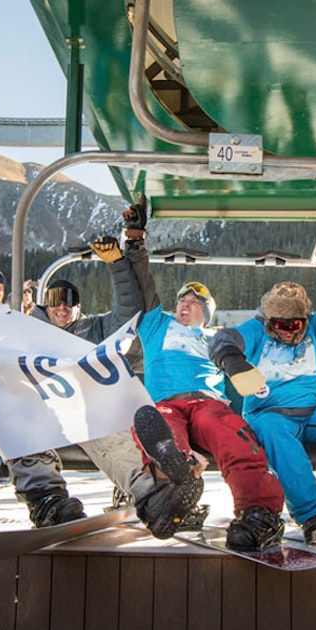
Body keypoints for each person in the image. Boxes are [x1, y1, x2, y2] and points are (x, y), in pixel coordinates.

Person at [10, 234, 193, 537]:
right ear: (46, 304)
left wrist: (118, 266)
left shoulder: (93, 329)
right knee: (17, 421)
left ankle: (153, 496)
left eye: (70, 302)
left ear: (78, 308)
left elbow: (128, 313)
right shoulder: (27, 330)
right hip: (40, 409)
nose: (62, 308)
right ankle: (48, 500)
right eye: (55, 300)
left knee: (110, 431)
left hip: (85, 410)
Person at [125, 214, 286, 549]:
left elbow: (246, 365)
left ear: (206, 313)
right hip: (167, 402)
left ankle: (258, 512)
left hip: (206, 402)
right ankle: (174, 478)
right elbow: (143, 286)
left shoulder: (215, 338)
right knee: (160, 427)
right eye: (182, 300)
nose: (185, 304)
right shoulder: (157, 326)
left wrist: (257, 383)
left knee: (229, 431)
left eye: (195, 302)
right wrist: (136, 243)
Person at [209, 271, 316, 547]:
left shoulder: (315, 327)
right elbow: (223, 339)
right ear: (268, 321)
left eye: (295, 325)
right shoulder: (255, 330)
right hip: (271, 414)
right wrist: (232, 360)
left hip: (315, 414)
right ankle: (311, 513)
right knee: (273, 432)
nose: (287, 332)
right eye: (279, 325)